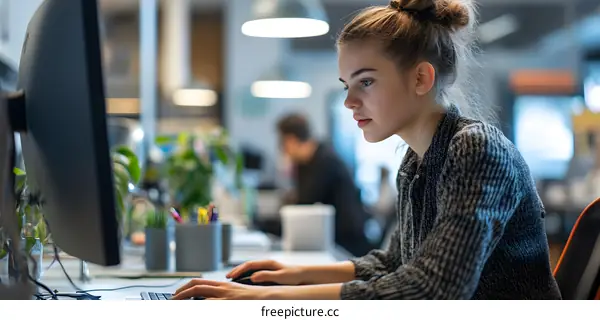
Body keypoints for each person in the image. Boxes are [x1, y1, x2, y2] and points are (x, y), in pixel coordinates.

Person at [172, 0, 562, 300]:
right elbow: (395, 262)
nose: (349, 102)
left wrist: (271, 299)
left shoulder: (476, 149)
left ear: (421, 78)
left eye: (367, 82)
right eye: (347, 85)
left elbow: (433, 289)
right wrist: (293, 272)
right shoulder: (416, 159)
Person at [275, 113, 375, 257]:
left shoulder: (325, 161)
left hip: (347, 245)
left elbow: (304, 203)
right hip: (332, 240)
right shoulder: (307, 162)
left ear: (290, 140)